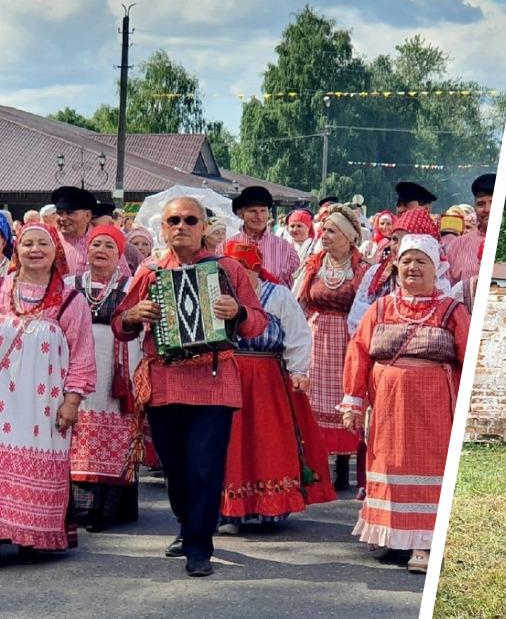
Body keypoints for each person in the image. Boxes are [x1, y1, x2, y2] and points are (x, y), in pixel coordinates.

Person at [112, 196, 267, 578]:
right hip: (165, 383)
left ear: (202, 227)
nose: (181, 226)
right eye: (173, 221)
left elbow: (259, 323)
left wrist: (239, 312)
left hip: (215, 382)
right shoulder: (149, 272)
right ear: (162, 229)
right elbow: (119, 324)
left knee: (205, 466)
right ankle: (189, 525)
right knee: (176, 470)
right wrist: (133, 314)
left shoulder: (228, 268)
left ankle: (199, 546)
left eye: (190, 220)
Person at [0, 223, 94, 569]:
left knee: (34, 465)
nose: (35, 249)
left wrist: (72, 401)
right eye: (28, 243)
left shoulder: (71, 301)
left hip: (44, 405)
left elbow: (82, 356)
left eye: (43, 243)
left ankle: (30, 536)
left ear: (56, 253)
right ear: (16, 248)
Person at [340, 234, 469, 575]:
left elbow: (468, 356)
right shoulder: (380, 308)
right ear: (396, 265)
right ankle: (389, 534)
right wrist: (353, 402)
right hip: (387, 407)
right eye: (407, 261)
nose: (413, 268)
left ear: (436, 268)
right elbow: (359, 352)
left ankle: (423, 542)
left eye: (421, 261)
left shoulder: (451, 311)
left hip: (432, 410)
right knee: (388, 463)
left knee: (427, 468)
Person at [217, 241, 335, 533]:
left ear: (256, 270)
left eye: (243, 270)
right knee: (231, 442)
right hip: (228, 374)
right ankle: (232, 511)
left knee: (267, 439)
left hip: (267, 376)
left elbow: (297, 333)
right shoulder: (218, 298)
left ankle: (272, 506)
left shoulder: (277, 294)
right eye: (231, 271)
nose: (237, 277)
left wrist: (298, 369)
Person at [67, 225, 141, 532]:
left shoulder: (131, 285)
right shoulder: (69, 284)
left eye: (109, 246)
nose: (101, 251)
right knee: (77, 433)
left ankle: (108, 511)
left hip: (115, 370)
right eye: (96, 244)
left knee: (113, 435)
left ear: (120, 253)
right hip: (76, 364)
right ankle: (75, 510)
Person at [297, 205, 368, 490]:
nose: (324, 235)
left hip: (347, 339)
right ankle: (316, 465)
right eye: (323, 229)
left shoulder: (361, 269)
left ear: (349, 237)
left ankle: (341, 465)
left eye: (332, 231)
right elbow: (299, 300)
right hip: (316, 337)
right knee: (313, 400)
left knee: (343, 397)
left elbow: (366, 306)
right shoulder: (314, 264)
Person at [348, 208, 452, 335]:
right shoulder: (376, 274)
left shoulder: (439, 283)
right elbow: (355, 320)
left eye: (404, 240)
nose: (397, 246)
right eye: (394, 239)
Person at [228, 186, 300, 286]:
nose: (259, 216)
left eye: (263, 211)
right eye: (253, 211)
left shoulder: (286, 249)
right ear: (240, 214)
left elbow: (292, 287)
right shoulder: (226, 248)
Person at [445, 173, 494, 285]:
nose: (487, 209)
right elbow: (447, 290)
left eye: (493, 202)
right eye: (481, 204)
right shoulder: (458, 245)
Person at [51, 186, 97, 275]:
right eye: (59, 213)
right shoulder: (50, 242)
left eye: (70, 213)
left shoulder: (104, 241)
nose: (63, 218)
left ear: (87, 215)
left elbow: (124, 279)